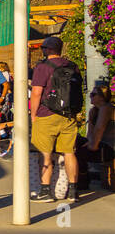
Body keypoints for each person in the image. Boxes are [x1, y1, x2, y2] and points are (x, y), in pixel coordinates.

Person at [30, 36, 84, 202]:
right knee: (69, 152)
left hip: (47, 114)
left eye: (43, 48)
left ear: (49, 49)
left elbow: (37, 92)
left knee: (44, 154)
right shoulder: (73, 66)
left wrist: (33, 115)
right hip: (69, 116)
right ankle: (74, 191)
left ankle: (45, 191)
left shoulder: (43, 67)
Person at [77, 79, 114, 189]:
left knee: (80, 152)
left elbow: (99, 129)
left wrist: (92, 145)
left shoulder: (106, 108)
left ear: (102, 97)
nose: (90, 96)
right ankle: (82, 180)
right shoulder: (94, 111)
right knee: (77, 143)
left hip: (110, 146)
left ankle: (82, 182)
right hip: (100, 143)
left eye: (93, 94)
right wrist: (88, 142)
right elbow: (90, 133)